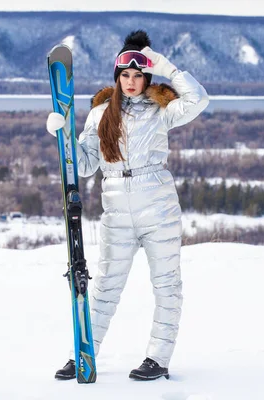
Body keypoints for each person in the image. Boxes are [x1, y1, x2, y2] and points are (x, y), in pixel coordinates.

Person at [47, 30, 209, 381]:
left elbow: (199, 100)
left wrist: (168, 67)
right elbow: (86, 166)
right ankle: (84, 353)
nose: (132, 81)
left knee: (166, 284)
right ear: (117, 78)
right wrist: (65, 137)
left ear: (147, 76)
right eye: (125, 75)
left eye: (139, 75)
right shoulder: (100, 113)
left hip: (158, 205)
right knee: (105, 286)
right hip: (116, 209)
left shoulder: (160, 109)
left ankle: (158, 358)